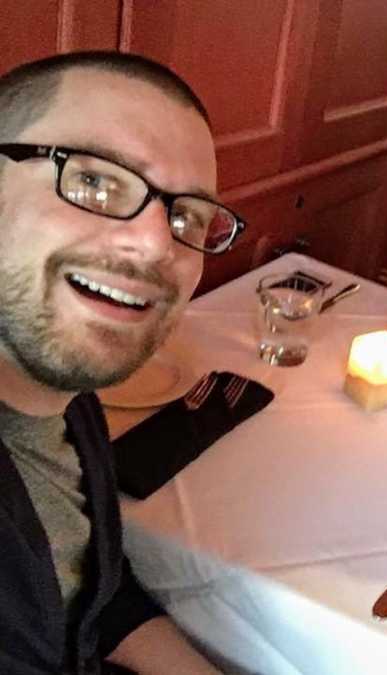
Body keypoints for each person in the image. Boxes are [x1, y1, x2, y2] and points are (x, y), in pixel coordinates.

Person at [0, 52, 245, 674]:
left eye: (187, 215)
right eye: (94, 181)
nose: (157, 242)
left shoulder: (69, 395)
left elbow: (98, 601)